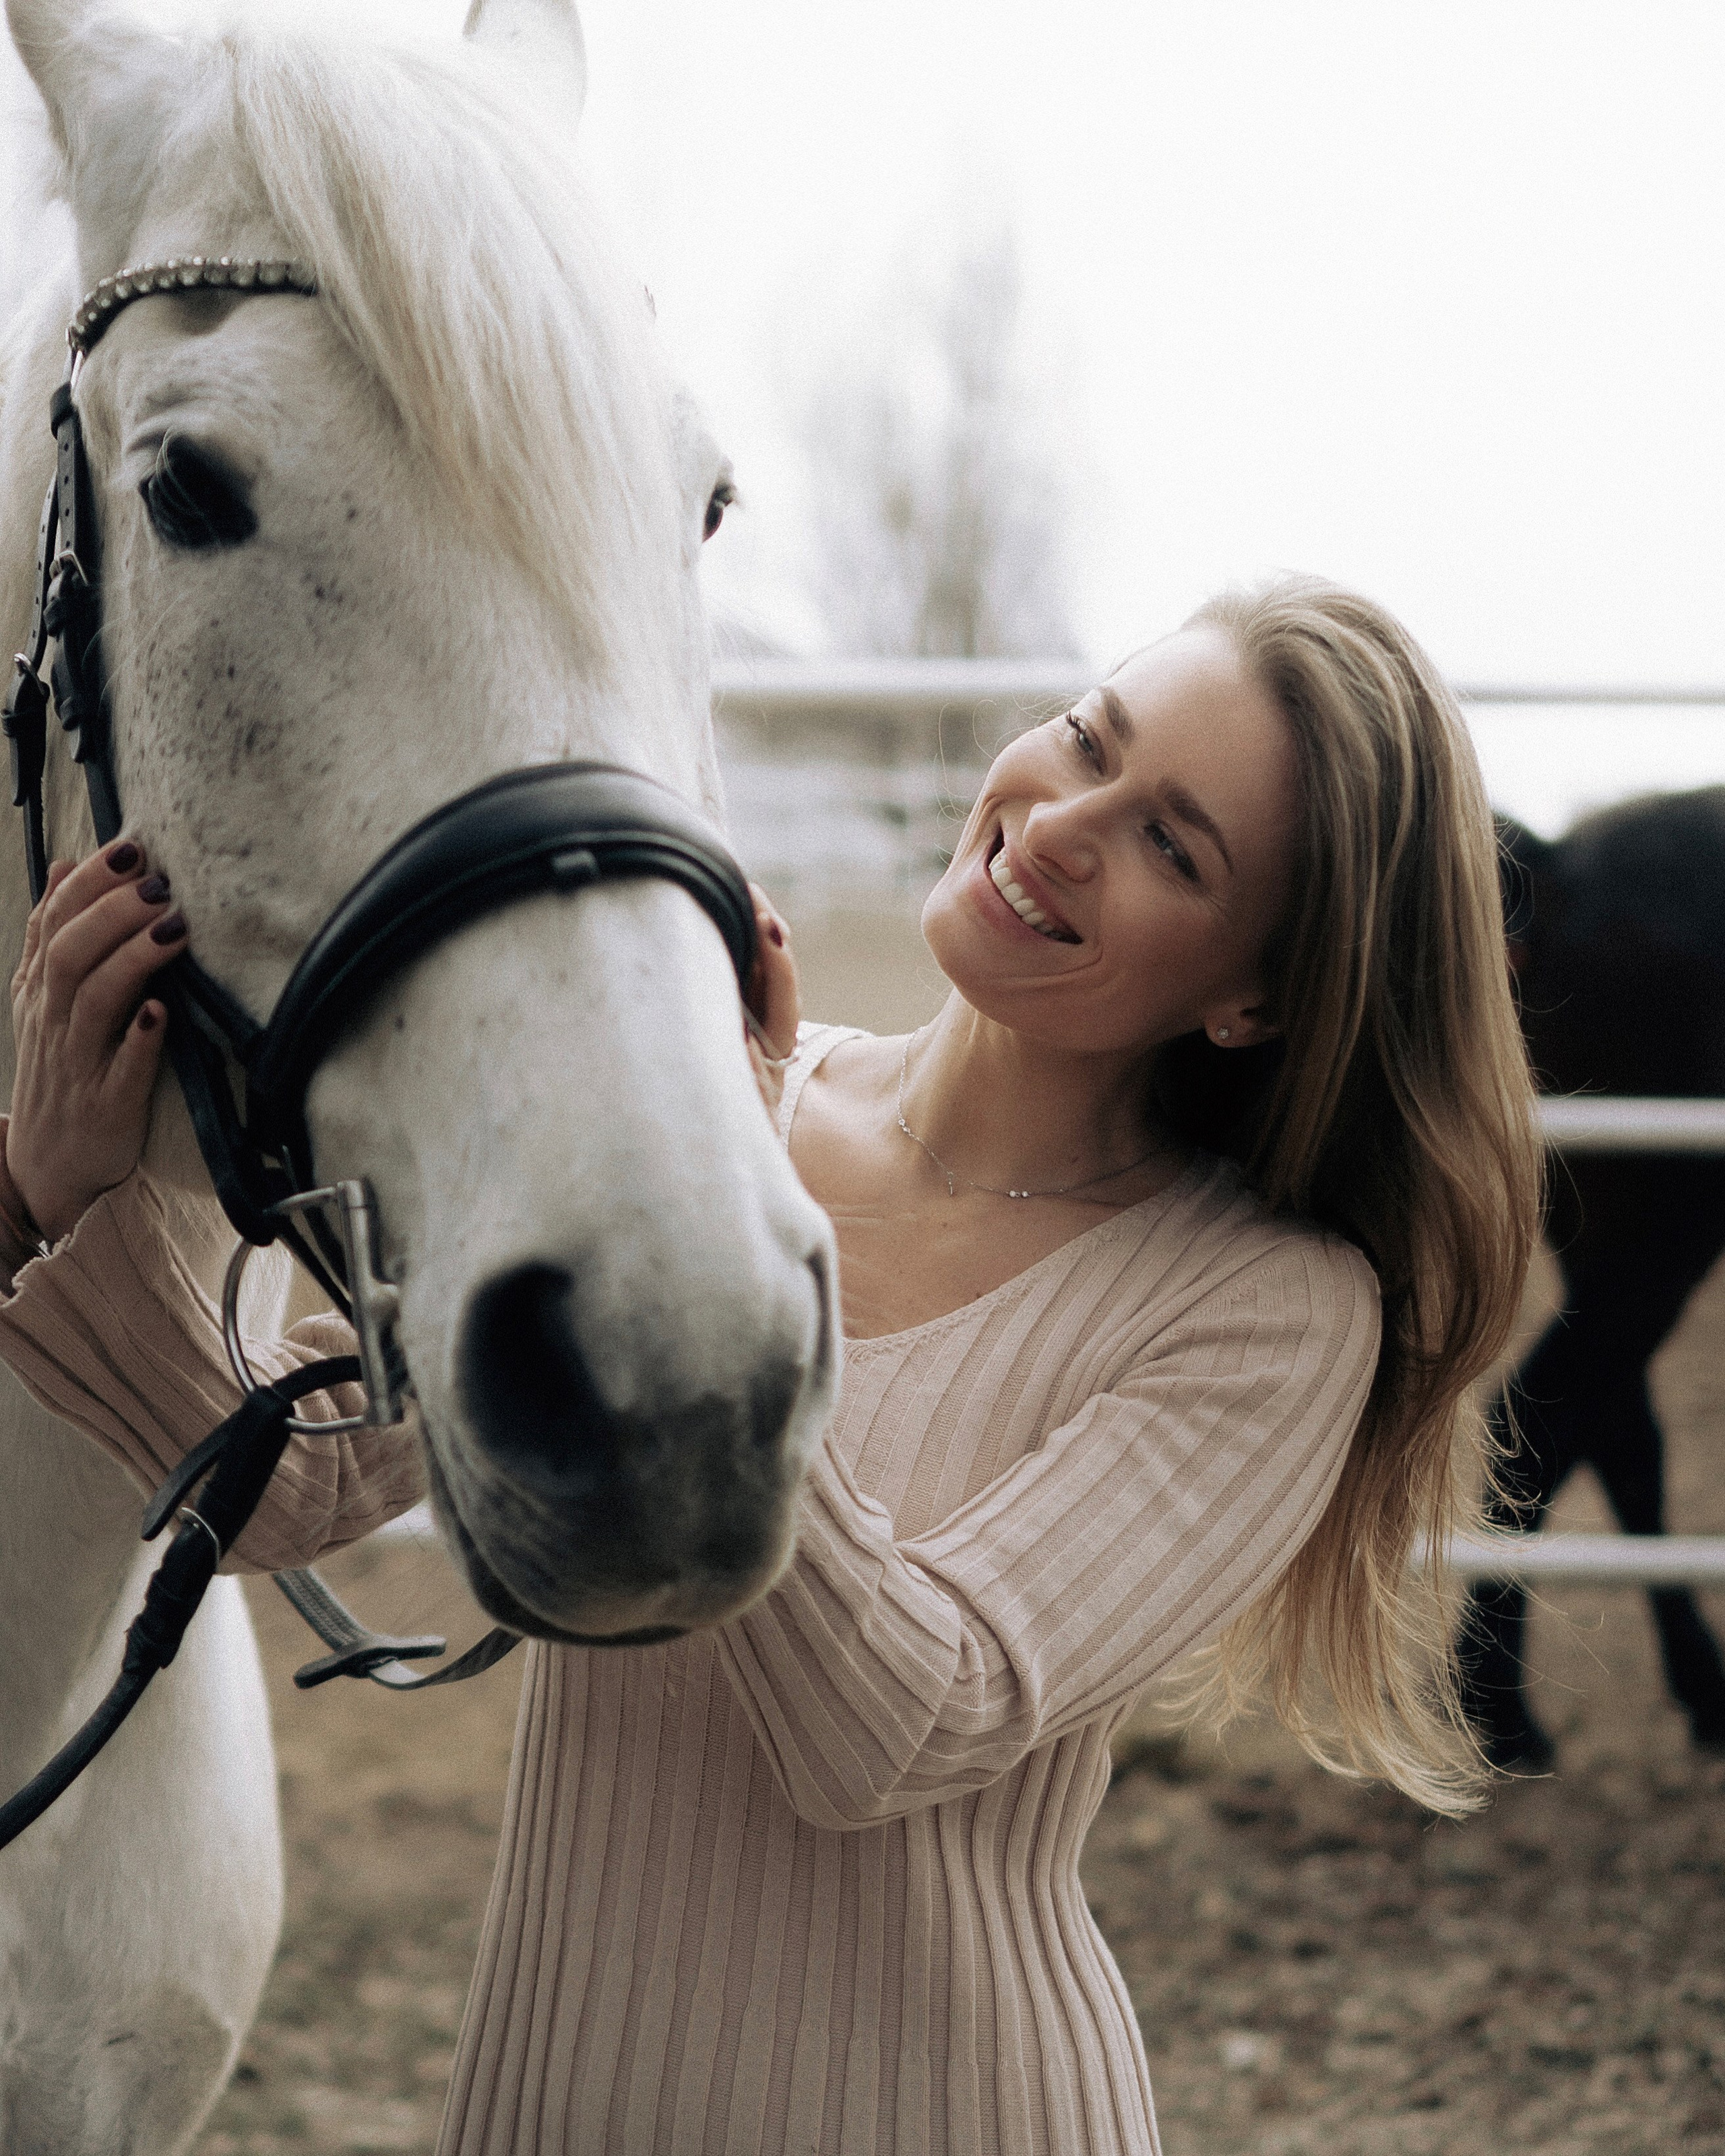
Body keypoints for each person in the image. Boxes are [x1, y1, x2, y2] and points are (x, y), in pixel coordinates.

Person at [0, 575, 1539, 2155]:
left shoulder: (1266, 1310)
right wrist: (88, 1185)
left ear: (1254, 995)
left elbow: (896, 1721)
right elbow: (293, 1478)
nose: (1065, 823)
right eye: (1087, 739)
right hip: (552, 2099)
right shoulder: (722, 1110)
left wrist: (710, 1206)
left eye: (1171, 844)